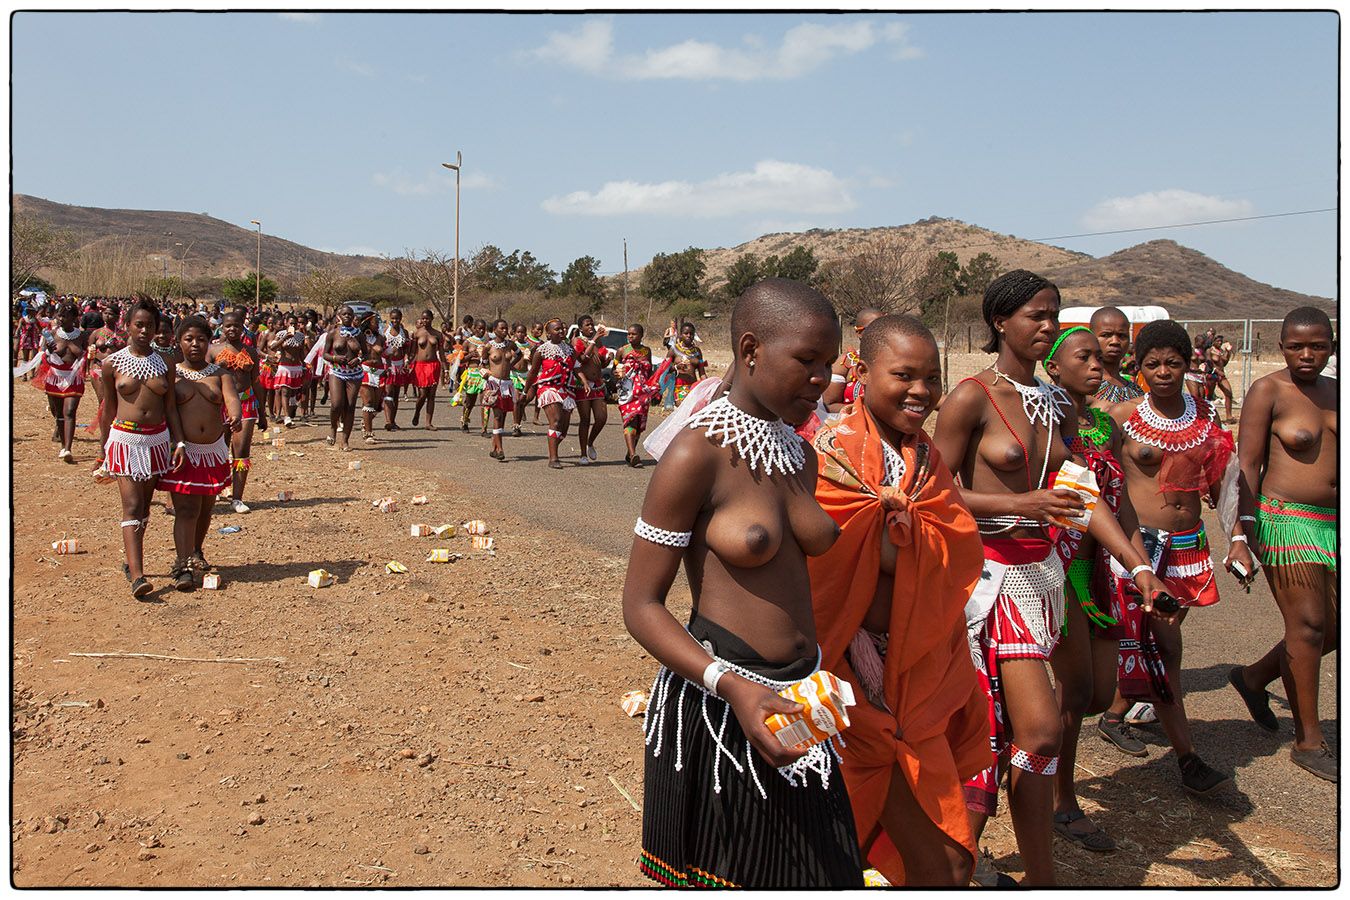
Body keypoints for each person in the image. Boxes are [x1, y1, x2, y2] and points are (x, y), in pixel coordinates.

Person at [623, 278, 863, 888]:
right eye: (807, 361)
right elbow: (641, 606)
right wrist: (732, 688)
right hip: (722, 705)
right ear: (751, 348)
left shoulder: (801, 456)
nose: (823, 379)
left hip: (800, 701)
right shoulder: (695, 456)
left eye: (829, 363)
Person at [807, 314, 990, 885]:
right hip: (849, 679)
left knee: (940, 860)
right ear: (860, 371)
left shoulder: (928, 460)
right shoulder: (825, 456)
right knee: (940, 865)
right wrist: (881, 525)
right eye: (904, 375)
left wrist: (905, 523)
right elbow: (815, 571)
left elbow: (957, 545)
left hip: (918, 674)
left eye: (932, 377)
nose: (922, 391)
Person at [932, 270, 1083, 886]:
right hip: (987, 583)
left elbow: (1078, 494)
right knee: (1039, 730)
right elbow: (931, 492)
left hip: (1043, 577)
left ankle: (1036, 878)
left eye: (1054, 315)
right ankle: (960, 859)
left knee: (1038, 735)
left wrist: (1137, 566)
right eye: (1035, 316)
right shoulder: (972, 396)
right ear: (1000, 322)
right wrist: (1021, 505)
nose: (1048, 327)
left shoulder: (1056, 402)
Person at [1096, 319, 1253, 796]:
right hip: (1137, 548)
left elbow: (1227, 484)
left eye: (1173, 363)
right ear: (1137, 367)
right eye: (1152, 364)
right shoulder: (1119, 416)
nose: (1163, 372)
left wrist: (1239, 538)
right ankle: (1188, 761)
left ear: (1189, 364)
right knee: (1165, 651)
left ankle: (1114, 714)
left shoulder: (1206, 417)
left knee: (1155, 645)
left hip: (1187, 548)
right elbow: (1098, 487)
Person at [1041, 326, 1162, 852]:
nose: (1098, 365)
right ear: (1053, 368)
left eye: (1100, 356)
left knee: (1095, 695)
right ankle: (1060, 801)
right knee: (1073, 692)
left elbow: (1123, 505)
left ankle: (1028, 754)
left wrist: (1140, 566)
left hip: (1098, 572)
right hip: (1056, 570)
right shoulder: (1043, 426)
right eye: (1083, 357)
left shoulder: (1104, 426)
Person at [1230, 307, 1337, 782]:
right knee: (1310, 624)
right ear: (1281, 346)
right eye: (1296, 346)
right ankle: (1309, 740)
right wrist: (1241, 530)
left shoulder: (1338, 392)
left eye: (1317, 345)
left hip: (1334, 523)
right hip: (1285, 519)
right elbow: (1246, 465)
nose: (1307, 355)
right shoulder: (1268, 390)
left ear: (1332, 345)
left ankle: (1253, 678)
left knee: (1331, 628)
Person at [94, 299, 187, 600]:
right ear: (128, 326)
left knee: (144, 508)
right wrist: (104, 450)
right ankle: (137, 576)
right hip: (125, 441)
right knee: (132, 506)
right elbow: (108, 410)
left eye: (151, 325)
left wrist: (180, 441)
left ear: (158, 328)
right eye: (139, 325)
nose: (145, 331)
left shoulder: (166, 362)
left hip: (157, 441)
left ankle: (131, 561)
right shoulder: (112, 363)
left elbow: (170, 407)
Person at [158, 315, 241, 591]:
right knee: (186, 509)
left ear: (209, 342)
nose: (195, 344)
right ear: (179, 341)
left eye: (201, 339)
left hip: (214, 451)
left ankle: (196, 551)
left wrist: (236, 416)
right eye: (189, 339)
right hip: (184, 450)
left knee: (206, 508)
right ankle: (182, 566)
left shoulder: (220, 374)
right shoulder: (171, 372)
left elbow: (231, 400)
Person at [209, 311, 267, 512]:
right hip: (219, 405)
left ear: (243, 327)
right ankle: (216, 488)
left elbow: (256, 382)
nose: (232, 329)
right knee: (218, 448)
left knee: (241, 450)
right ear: (221, 327)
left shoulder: (250, 352)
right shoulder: (212, 351)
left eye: (236, 325)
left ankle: (237, 497)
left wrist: (263, 412)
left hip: (246, 403)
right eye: (228, 326)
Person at [524, 317, 590, 470]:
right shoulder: (541, 351)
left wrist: (585, 382)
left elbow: (577, 367)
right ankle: (553, 458)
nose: (561, 331)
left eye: (562, 329)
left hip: (566, 389)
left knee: (564, 429)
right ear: (548, 333)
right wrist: (525, 391)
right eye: (557, 329)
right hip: (548, 388)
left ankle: (552, 445)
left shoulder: (569, 349)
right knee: (556, 420)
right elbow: (533, 372)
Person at [29, 301, 89, 463]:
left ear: (74, 318)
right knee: (58, 414)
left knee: (69, 412)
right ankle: (63, 443)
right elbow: (45, 355)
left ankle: (67, 448)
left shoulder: (82, 336)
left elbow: (87, 356)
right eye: (60, 315)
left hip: (73, 378)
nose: (61, 318)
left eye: (65, 315)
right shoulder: (52, 334)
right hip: (54, 377)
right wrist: (48, 349)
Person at [615, 324, 662, 468]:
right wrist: (617, 374)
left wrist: (653, 389)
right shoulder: (622, 351)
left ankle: (630, 453)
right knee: (630, 420)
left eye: (633, 334)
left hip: (642, 392)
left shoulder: (647, 351)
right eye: (628, 334)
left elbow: (649, 373)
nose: (630, 337)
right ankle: (634, 454)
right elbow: (615, 369)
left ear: (641, 335)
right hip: (626, 392)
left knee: (638, 423)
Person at [822, 307, 882, 412]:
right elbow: (830, 404)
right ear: (859, 333)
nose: (880, 333)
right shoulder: (845, 363)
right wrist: (864, 413)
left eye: (883, 327)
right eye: (872, 328)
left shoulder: (898, 361)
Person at [323, 305, 364, 451]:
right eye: (344, 314)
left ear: (353, 317)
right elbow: (324, 354)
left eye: (350, 314)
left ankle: (345, 441)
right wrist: (335, 358)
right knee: (336, 404)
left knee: (350, 405)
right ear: (339, 316)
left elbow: (365, 353)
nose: (347, 316)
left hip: (354, 374)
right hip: (337, 372)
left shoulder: (359, 334)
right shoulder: (333, 333)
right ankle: (333, 428)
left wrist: (358, 360)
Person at [572, 315, 611, 464]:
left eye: (592, 324)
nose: (591, 327)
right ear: (581, 328)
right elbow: (582, 359)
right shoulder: (578, 341)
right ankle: (583, 454)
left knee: (601, 418)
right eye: (587, 325)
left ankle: (590, 442)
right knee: (585, 420)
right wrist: (594, 339)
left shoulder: (598, 341)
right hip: (583, 385)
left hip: (598, 384)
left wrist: (607, 359)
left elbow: (599, 364)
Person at [481, 319, 519, 461]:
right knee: (497, 416)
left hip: (507, 385)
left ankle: (494, 448)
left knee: (502, 417)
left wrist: (511, 366)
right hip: (493, 384)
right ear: (494, 329)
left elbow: (519, 354)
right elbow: (482, 364)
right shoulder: (488, 346)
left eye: (506, 328)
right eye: (502, 328)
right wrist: (484, 375)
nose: (505, 331)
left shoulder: (510, 345)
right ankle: (501, 449)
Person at [1090, 307, 1144, 407]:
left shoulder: (1136, 391)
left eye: (1122, 336)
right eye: (1106, 335)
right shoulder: (1084, 386)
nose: (1115, 341)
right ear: (1091, 337)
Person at [269, 313, 310, 426]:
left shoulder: (300, 336)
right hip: (284, 367)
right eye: (290, 323)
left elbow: (301, 353)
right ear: (286, 323)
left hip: (296, 368)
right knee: (284, 391)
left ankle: (289, 413)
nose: (293, 325)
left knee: (293, 393)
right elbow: (272, 347)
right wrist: (284, 338)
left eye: (295, 324)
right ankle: (285, 416)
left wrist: (305, 364)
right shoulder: (280, 334)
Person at [357, 313, 388, 444]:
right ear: (367, 323)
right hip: (365, 370)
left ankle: (365, 421)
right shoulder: (359, 337)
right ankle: (368, 434)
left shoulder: (380, 338)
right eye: (375, 322)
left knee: (376, 406)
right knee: (368, 402)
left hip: (379, 371)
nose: (377, 324)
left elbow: (386, 354)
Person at [382, 308, 412, 430]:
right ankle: (388, 421)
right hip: (388, 365)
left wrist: (406, 361)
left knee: (396, 394)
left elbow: (406, 350)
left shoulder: (404, 332)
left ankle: (393, 421)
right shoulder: (385, 332)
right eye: (393, 318)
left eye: (397, 318)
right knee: (388, 392)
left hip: (400, 366)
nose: (395, 320)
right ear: (390, 318)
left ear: (401, 318)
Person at [458, 319, 489, 433]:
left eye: (483, 329)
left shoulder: (488, 342)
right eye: (479, 328)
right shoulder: (468, 342)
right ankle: (465, 421)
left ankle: (484, 428)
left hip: (484, 374)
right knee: (470, 402)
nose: (481, 331)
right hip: (472, 373)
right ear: (474, 328)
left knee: (485, 401)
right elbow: (460, 360)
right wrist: (471, 355)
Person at [510, 323, 532, 437]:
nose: (521, 334)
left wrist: (529, 357)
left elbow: (532, 361)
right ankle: (516, 426)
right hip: (514, 375)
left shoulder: (529, 346)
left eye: (523, 332)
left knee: (526, 398)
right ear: (514, 333)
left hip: (525, 375)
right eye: (518, 332)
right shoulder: (512, 344)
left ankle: (518, 419)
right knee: (517, 400)